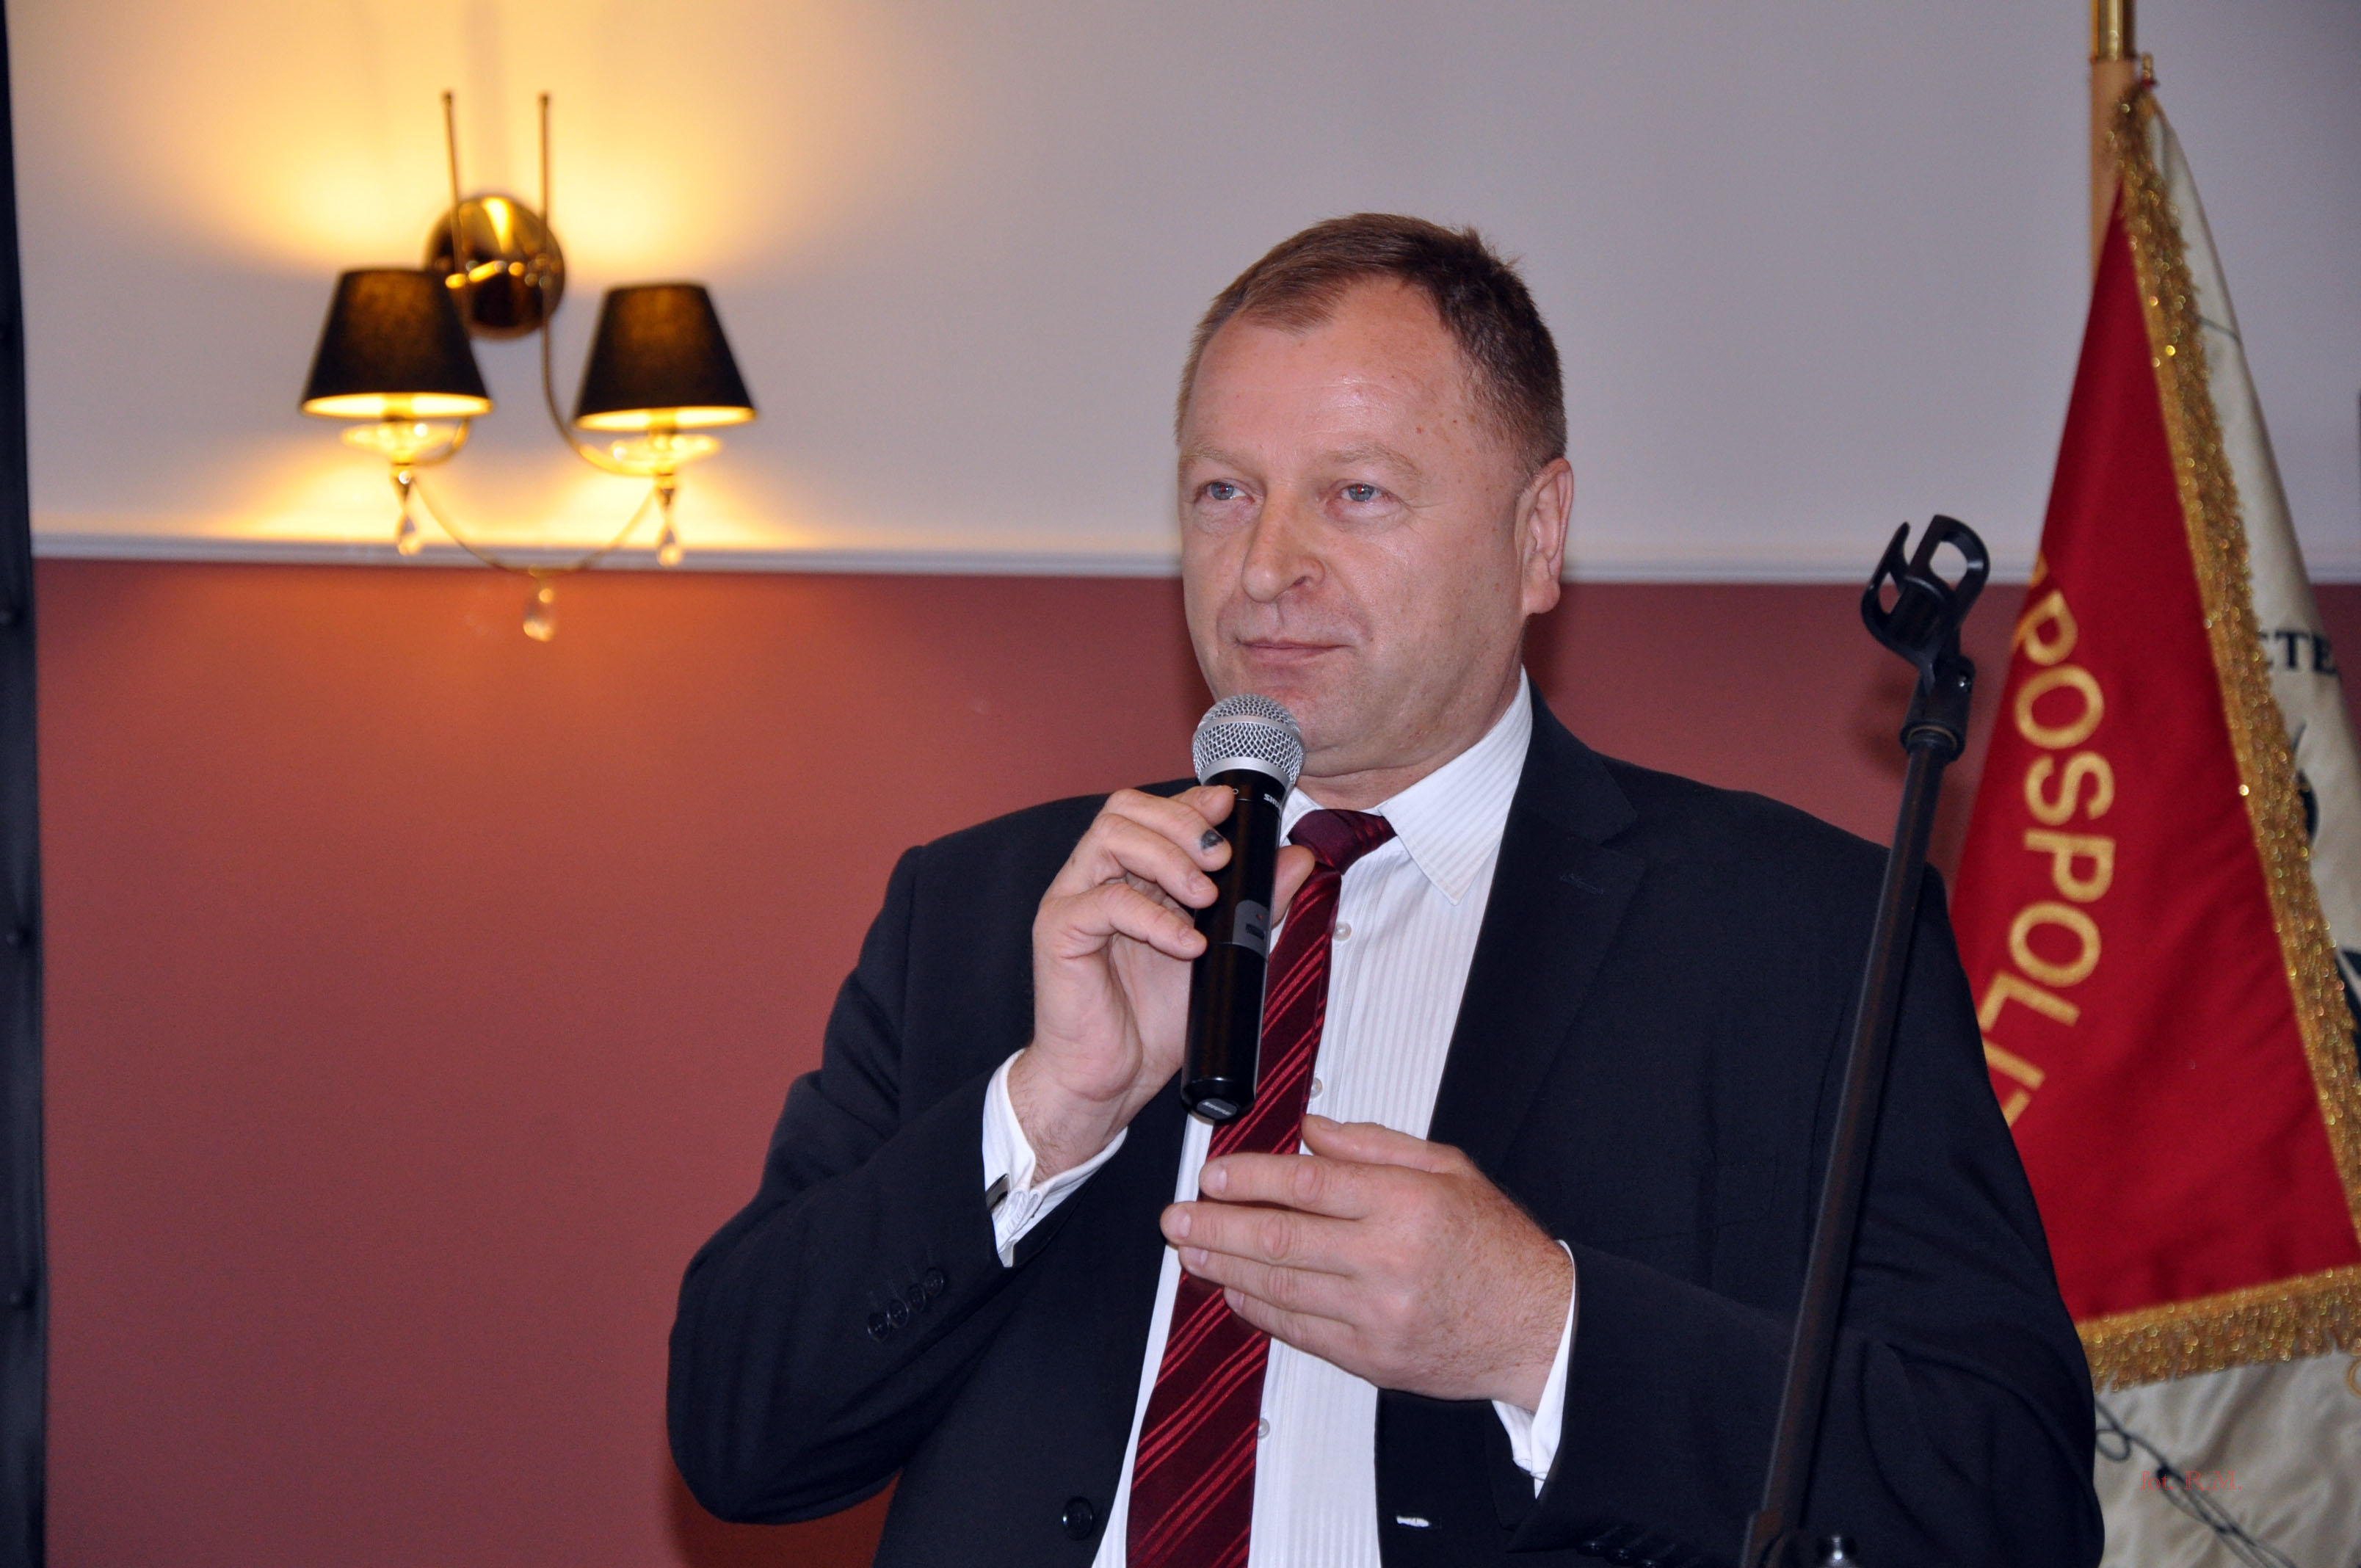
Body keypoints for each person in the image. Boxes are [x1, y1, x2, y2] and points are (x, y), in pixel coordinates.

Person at [667, 214, 2102, 1567]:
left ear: (1538, 536)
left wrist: (1543, 1331)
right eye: (1224, 493)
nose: (1265, 569)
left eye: (1355, 494)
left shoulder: (1796, 935)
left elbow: (2004, 1492)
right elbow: (739, 1440)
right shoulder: (992, 910)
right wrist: (1048, 1114)